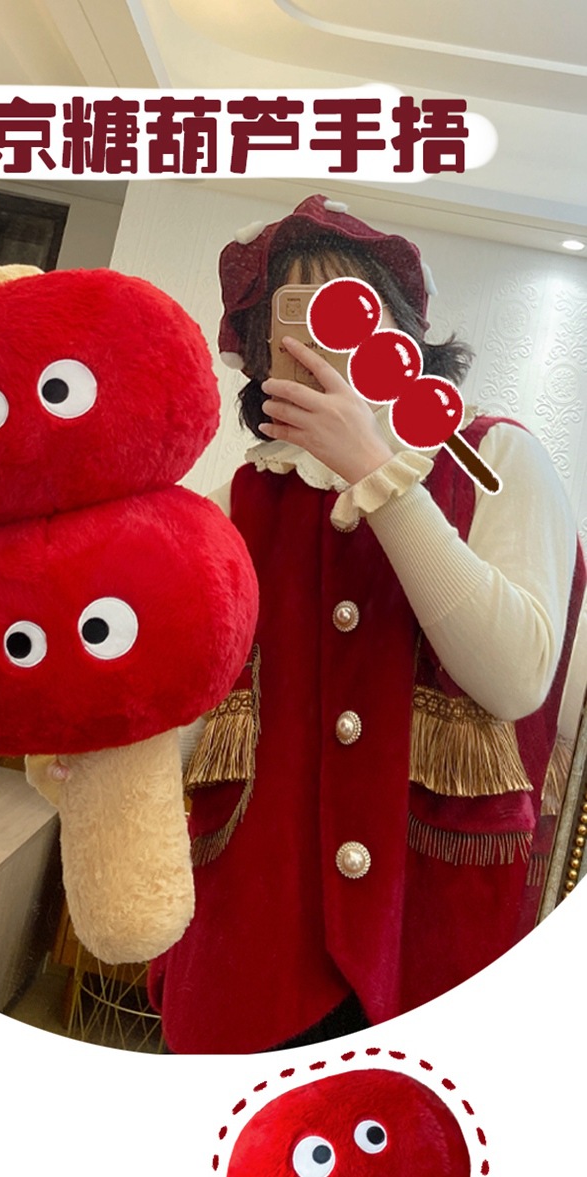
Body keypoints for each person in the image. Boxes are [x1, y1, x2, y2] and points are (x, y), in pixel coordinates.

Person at [148, 194, 585, 1054]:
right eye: (294, 316)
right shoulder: (231, 503)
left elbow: (513, 677)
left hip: (432, 933)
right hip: (250, 939)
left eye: (353, 308)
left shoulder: (496, 460)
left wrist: (377, 474)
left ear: (407, 336)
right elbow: (178, 720)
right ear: (260, 353)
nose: (326, 340)